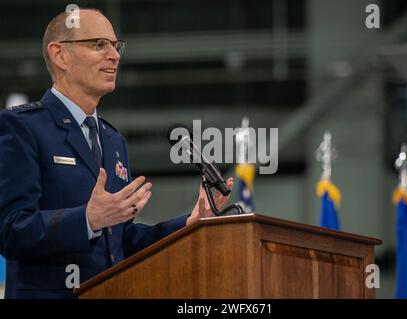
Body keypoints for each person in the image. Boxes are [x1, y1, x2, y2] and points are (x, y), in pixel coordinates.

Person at [0, 8, 233, 299]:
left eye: (115, 45)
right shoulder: (22, 127)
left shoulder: (112, 140)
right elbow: (11, 230)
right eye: (99, 44)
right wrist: (87, 220)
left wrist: (186, 225)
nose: (115, 56)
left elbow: (121, 239)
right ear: (60, 55)